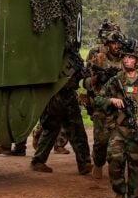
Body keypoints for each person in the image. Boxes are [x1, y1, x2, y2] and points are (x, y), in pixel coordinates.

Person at [95, 39, 138, 198]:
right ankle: (118, 193)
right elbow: (98, 99)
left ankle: (134, 197)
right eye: (125, 58)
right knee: (114, 160)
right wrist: (112, 100)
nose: (127, 61)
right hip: (120, 129)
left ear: (137, 61)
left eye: (131, 58)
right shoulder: (115, 81)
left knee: (137, 166)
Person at [84, 23, 138, 180]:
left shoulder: (127, 59)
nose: (116, 47)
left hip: (122, 107)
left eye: (118, 43)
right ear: (106, 45)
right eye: (113, 43)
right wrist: (97, 78)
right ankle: (98, 164)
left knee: (126, 139)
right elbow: (85, 83)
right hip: (103, 106)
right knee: (101, 141)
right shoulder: (97, 58)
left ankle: (123, 172)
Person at [30, 45, 92, 175]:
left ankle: (84, 164)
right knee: (51, 129)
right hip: (55, 97)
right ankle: (38, 161)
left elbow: (82, 76)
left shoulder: (73, 56)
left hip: (68, 96)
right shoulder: (51, 56)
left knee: (78, 131)